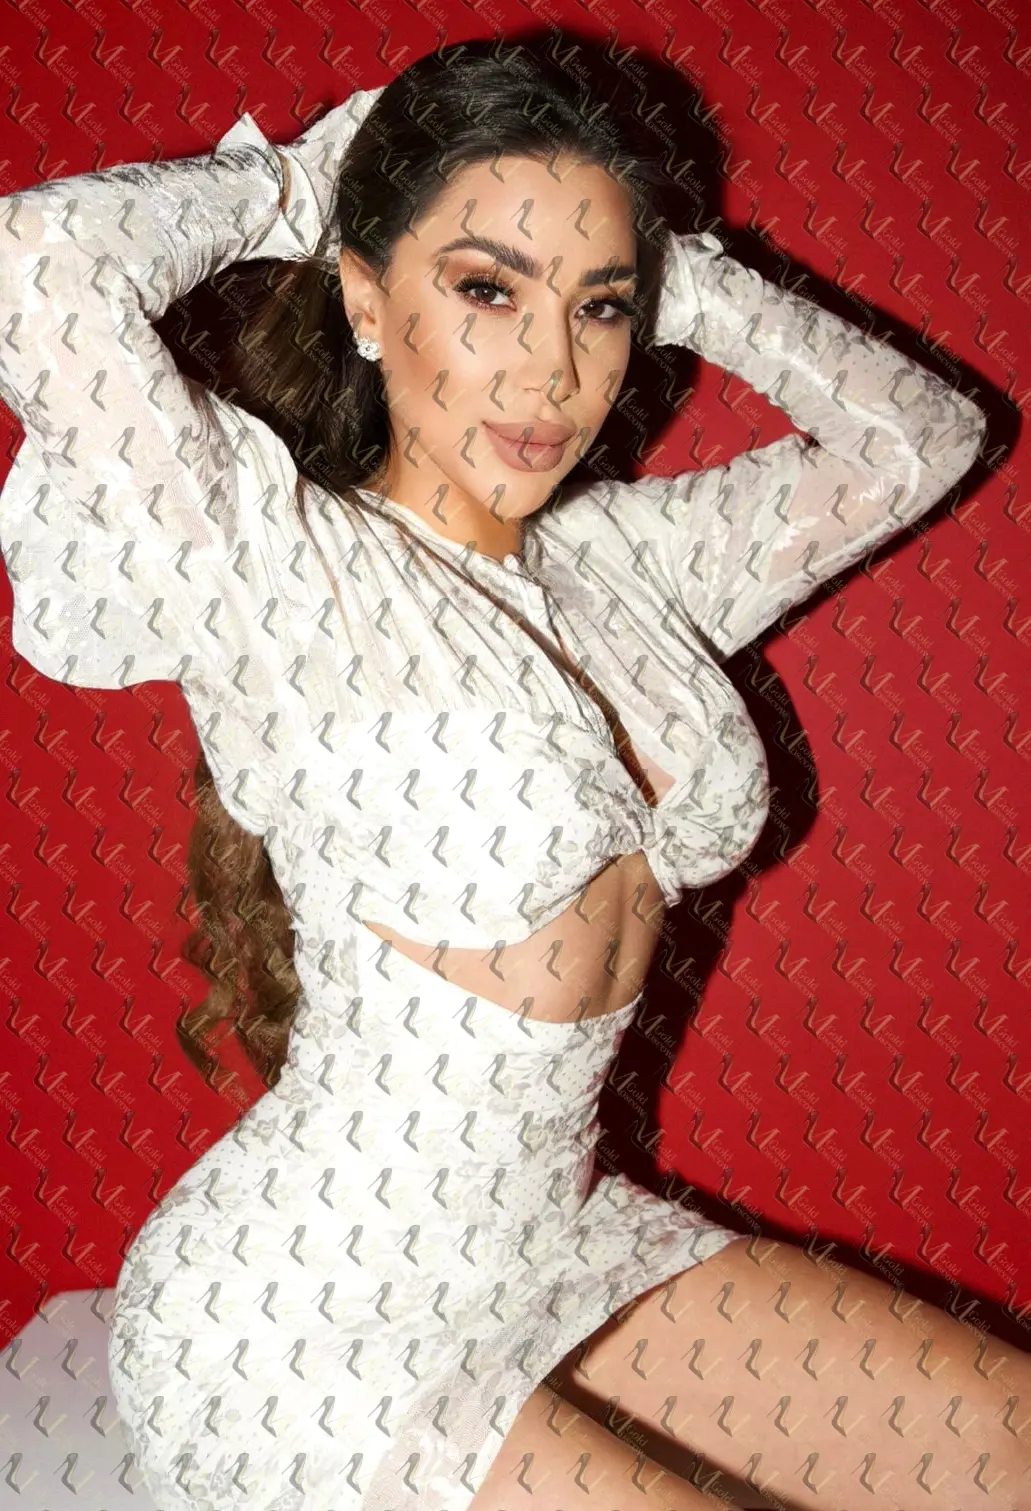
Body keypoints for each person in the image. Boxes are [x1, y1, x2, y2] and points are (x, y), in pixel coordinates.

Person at [0, 32, 1023, 1511]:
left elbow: (921, 438)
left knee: (1008, 1441)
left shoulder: (627, 564)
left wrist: (685, 281)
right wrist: (297, 187)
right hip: (296, 1334)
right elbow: (33, 267)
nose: (552, 370)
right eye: (488, 289)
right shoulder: (271, 560)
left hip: (556, 1243)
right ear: (368, 298)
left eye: (596, 307)